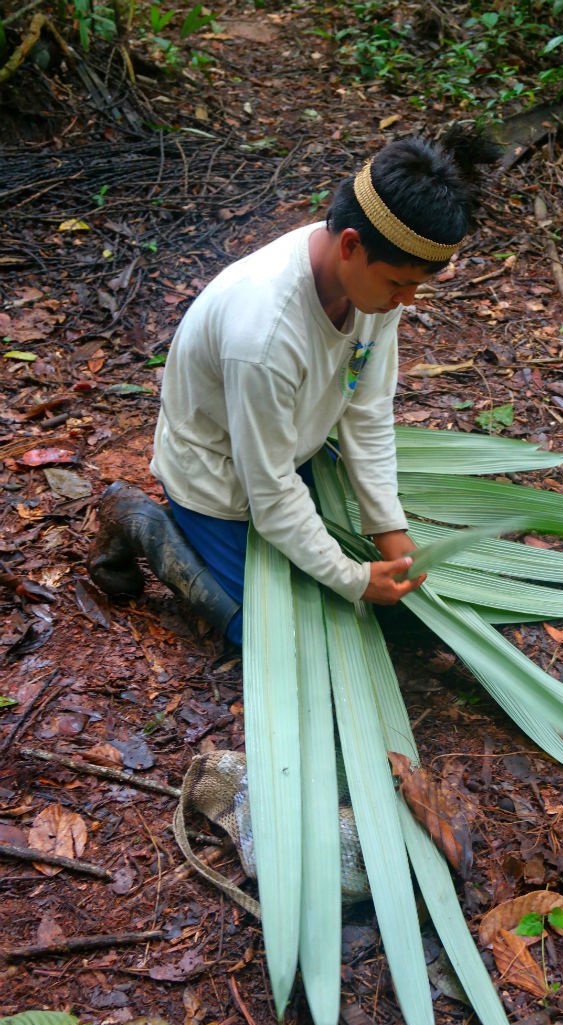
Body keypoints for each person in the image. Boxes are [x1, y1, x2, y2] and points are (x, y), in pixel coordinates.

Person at [88, 128, 493, 643]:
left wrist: (389, 531)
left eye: (417, 285)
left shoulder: (372, 281)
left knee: (384, 620)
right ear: (351, 245)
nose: (407, 300)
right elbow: (269, 487)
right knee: (269, 636)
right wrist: (353, 578)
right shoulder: (264, 333)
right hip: (220, 475)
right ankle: (144, 523)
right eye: (400, 283)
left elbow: (367, 411)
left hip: (287, 448)